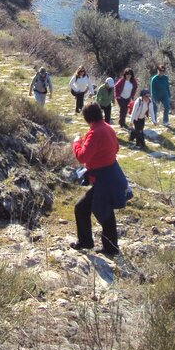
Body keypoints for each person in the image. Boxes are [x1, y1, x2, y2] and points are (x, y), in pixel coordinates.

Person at [71, 103, 131, 256]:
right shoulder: (107, 127)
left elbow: (82, 156)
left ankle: (110, 248)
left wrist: (76, 143)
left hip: (104, 179)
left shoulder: (95, 132)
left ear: (87, 118)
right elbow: (116, 148)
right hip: (110, 175)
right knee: (83, 207)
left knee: (102, 211)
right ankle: (87, 242)